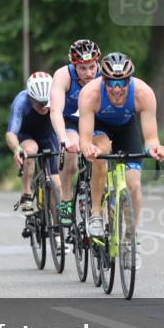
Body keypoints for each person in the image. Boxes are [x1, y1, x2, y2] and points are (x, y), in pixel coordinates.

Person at [77, 52, 164, 268]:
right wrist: (88, 147)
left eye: (122, 83)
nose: (117, 89)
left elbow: (151, 137)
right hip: (99, 129)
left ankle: (130, 239)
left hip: (127, 130)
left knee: (134, 184)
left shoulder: (143, 93)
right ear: (104, 80)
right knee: (102, 151)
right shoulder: (90, 94)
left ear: (129, 81)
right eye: (112, 83)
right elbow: (85, 138)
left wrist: (155, 148)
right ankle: (97, 214)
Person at [49, 38, 101, 227]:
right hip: (70, 118)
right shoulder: (63, 76)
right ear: (73, 65)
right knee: (71, 151)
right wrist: (63, 139)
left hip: (95, 119)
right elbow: (55, 110)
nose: (89, 73)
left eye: (92, 67)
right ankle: (66, 198)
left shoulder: (105, 74)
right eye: (82, 68)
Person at [7, 71, 61, 215]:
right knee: (30, 151)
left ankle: (57, 231)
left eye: (46, 103)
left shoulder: (58, 97)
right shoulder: (21, 101)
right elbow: (11, 133)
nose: (43, 107)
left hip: (48, 136)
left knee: (57, 185)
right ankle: (26, 193)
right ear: (30, 97)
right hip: (26, 135)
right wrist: (17, 148)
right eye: (38, 104)